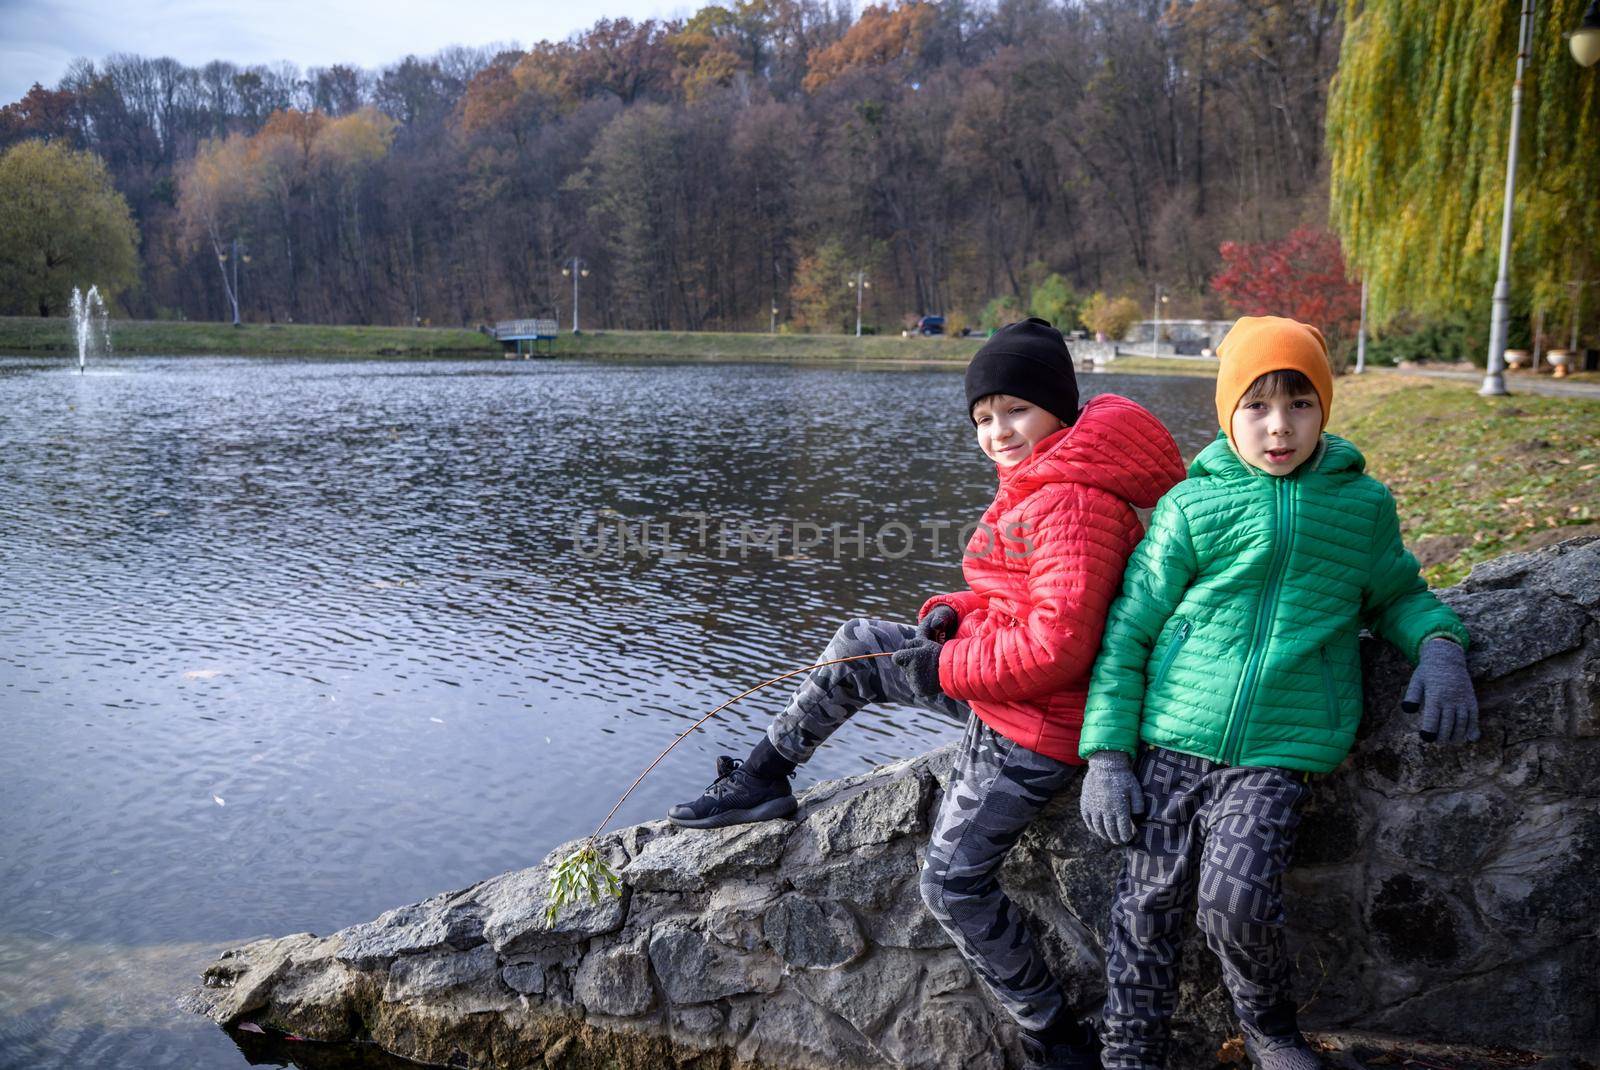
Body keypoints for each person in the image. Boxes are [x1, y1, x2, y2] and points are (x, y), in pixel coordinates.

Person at [667, 318, 1186, 1069]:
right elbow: (1018, 602)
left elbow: (1058, 647)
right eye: (983, 417)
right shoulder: (1045, 477)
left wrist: (944, 666)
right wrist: (959, 612)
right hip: (1010, 692)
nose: (998, 431)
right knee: (857, 644)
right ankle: (762, 777)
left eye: (1015, 411)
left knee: (950, 884)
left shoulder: (1071, 501)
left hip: (1038, 725)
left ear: (1058, 411)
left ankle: (1052, 1038)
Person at [1077, 316, 1479, 1070]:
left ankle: (1269, 1032)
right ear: (1228, 411)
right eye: (1256, 407)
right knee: (1145, 909)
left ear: (1325, 406)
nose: (1278, 428)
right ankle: (1129, 1052)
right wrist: (1106, 753)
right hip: (1169, 740)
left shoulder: (1360, 507)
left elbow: (1397, 595)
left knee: (1236, 903)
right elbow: (1129, 629)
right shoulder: (1192, 508)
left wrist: (1440, 643)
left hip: (1277, 751)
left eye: (1299, 404)